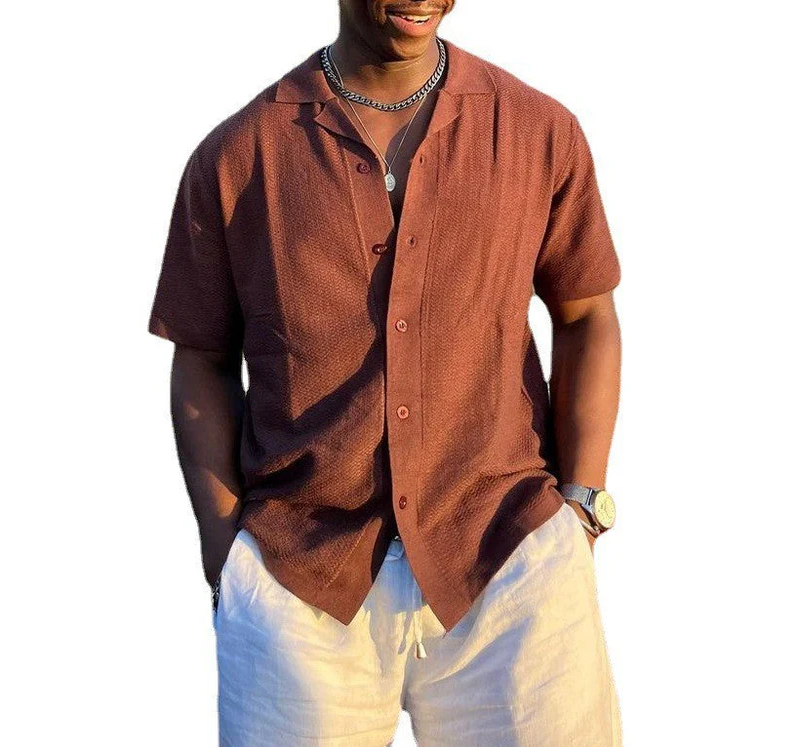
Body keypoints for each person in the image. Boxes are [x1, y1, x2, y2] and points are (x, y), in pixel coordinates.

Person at [148, 1, 623, 744]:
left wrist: (582, 506)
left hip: (509, 560)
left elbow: (587, 313)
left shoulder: (536, 130)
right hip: (297, 577)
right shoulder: (239, 155)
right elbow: (202, 356)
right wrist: (223, 548)